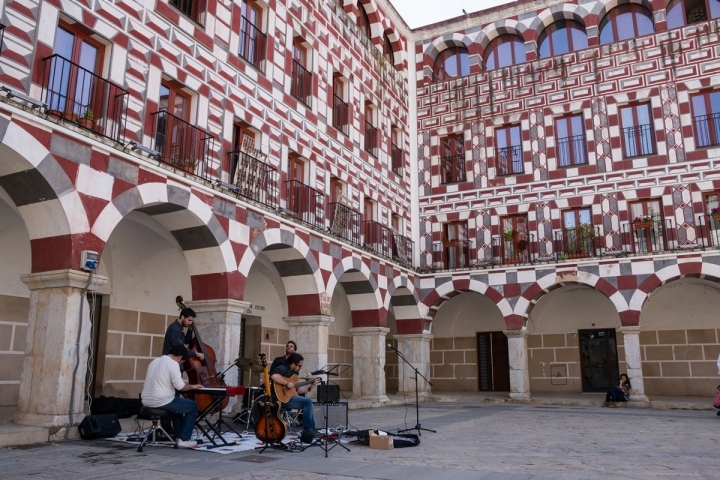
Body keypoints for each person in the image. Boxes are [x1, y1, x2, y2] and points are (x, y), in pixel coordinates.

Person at [141, 345, 204, 447]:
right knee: (193, 406)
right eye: (181, 362)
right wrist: (193, 386)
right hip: (161, 400)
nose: (180, 364)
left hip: (146, 400)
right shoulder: (173, 363)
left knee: (178, 408)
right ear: (179, 358)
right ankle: (184, 439)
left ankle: (178, 437)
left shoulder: (154, 361)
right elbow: (180, 386)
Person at [270, 352, 318, 442]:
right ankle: (308, 430)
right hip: (279, 399)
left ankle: (310, 430)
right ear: (293, 364)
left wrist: (309, 388)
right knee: (307, 402)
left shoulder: (293, 375)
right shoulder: (283, 368)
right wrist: (287, 383)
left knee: (308, 402)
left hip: (288, 398)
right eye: (299, 366)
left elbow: (296, 390)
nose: (300, 368)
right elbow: (274, 376)